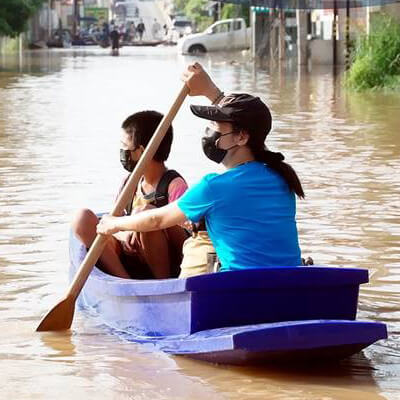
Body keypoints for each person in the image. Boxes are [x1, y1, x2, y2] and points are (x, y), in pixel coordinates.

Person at [97, 63, 304, 274]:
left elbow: (156, 219)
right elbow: (257, 140)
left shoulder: (214, 186)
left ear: (242, 137)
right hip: (289, 284)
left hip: (241, 288)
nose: (208, 133)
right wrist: (211, 91)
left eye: (215, 127)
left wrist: (115, 224)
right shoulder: (281, 177)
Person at [72, 111, 188, 279]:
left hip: (166, 262)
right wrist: (128, 229)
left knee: (146, 214)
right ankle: (124, 281)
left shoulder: (174, 185)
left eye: (125, 146)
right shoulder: (129, 183)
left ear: (140, 152)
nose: (122, 152)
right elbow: (111, 224)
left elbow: (185, 238)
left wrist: (142, 222)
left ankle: (161, 287)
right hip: (132, 255)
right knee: (82, 219)